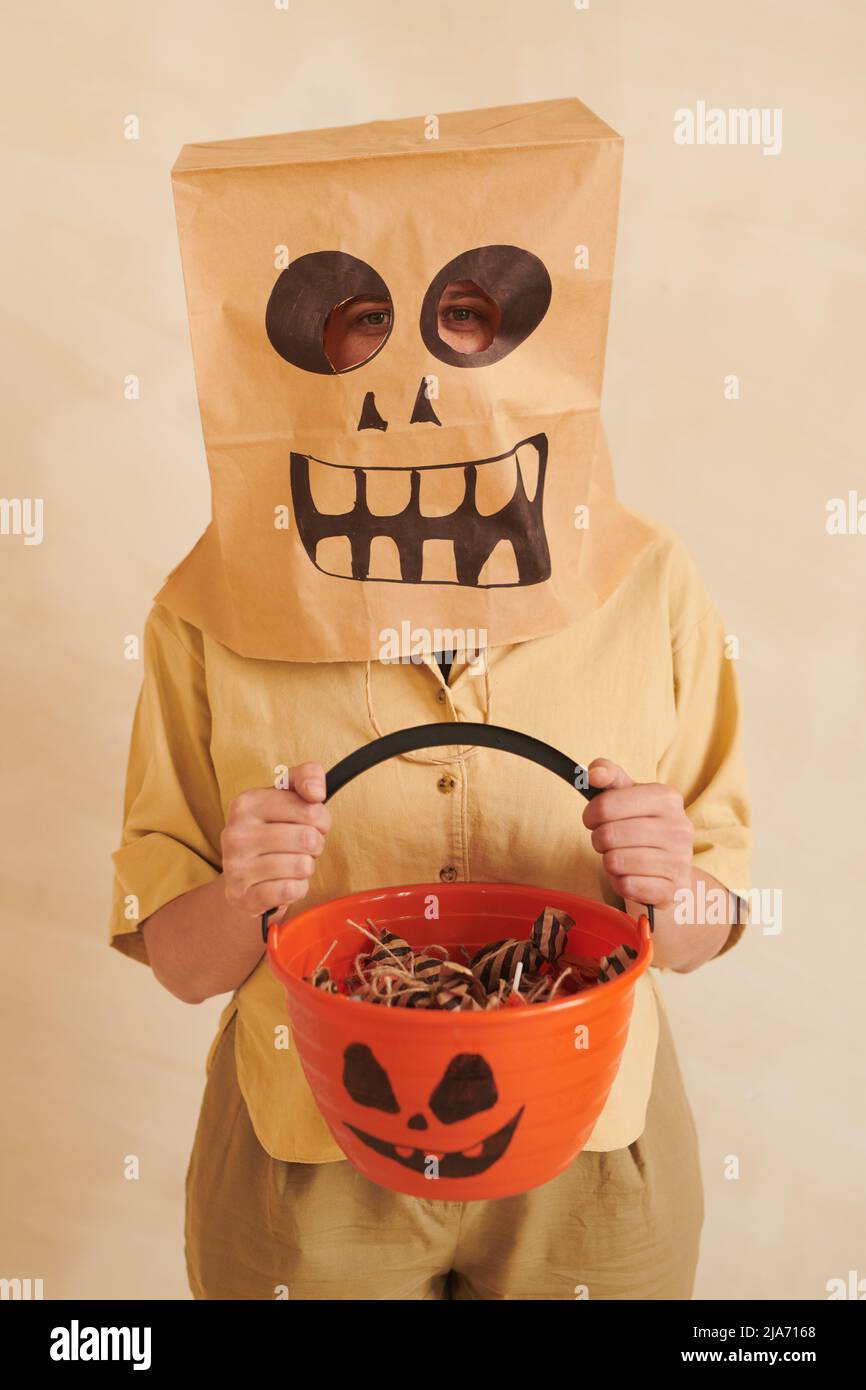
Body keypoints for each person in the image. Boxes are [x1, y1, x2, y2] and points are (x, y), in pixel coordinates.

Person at [109, 99, 751, 1300]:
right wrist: (245, 896)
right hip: (305, 1154)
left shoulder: (646, 579)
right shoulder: (208, 606)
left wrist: (671, 884)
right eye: (356, 325)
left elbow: (716, 918)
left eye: (461, 317)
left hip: (591, 1155)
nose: (410, 378)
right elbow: (180, 962)